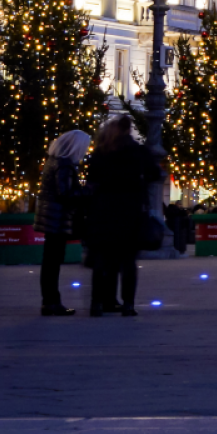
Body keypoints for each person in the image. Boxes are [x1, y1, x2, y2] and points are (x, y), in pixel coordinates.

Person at [79, 116, 153, 317]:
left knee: (102, 260)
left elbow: (92, 181)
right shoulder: (138, 151)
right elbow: (154, 173)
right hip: (130, 212)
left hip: (103, 212)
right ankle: (128, 305)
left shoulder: (101, 152)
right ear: (129, 130)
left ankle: (97, 304)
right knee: (128, 261)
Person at [36, 130, 87, 316]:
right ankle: (51, 302)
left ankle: (50, 301)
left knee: (50, 260)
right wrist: (86, 192)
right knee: (52, 261)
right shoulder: (64, 165)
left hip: (51, 217)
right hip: (57, 218)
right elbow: (64, 193)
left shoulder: (54, 160)